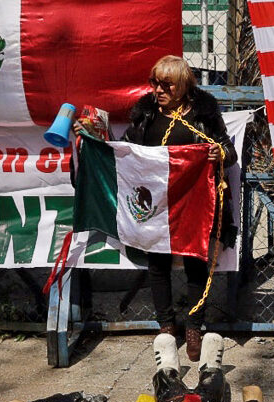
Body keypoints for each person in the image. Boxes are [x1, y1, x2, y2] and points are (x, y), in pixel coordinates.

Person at [88, 55, 238, 361]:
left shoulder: (204, 113)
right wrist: (96, 138)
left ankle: (194, 326)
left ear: (183, 85)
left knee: (196, 261)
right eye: (154, 82)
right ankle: (167, 327)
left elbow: (230, 152)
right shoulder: (145, 114)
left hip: (193, 203)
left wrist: (218, 152)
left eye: (166, 84)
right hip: (155, 205)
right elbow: (126, 151)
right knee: (157, 264)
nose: (158, 89)